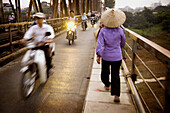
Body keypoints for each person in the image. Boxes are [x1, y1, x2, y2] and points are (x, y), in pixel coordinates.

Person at [96, 9, 126, 103]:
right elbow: (123, 43)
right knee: (115, 75)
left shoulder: (103, 31)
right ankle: (116, 95)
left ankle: (107, 84)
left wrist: (98, 55)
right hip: (117, 56)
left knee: (105, 72)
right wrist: (117, 47)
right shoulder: (120, 30)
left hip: (106, 56)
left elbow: (100, 44)